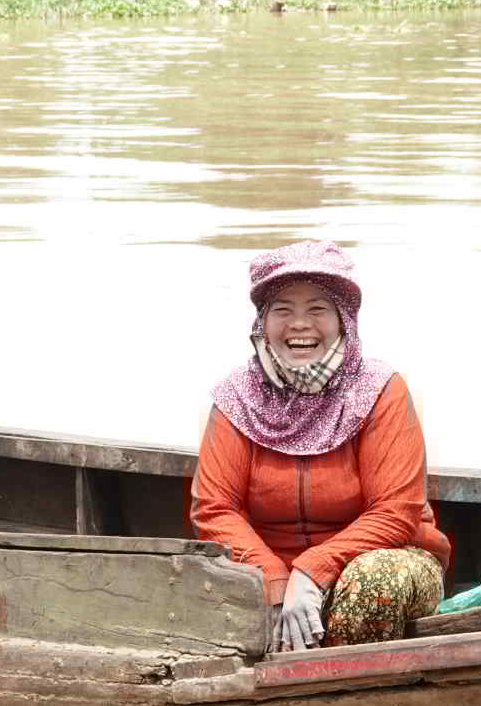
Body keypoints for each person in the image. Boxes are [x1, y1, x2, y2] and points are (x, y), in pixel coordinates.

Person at [190, 241, 451, 652]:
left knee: (373, 584)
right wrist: (274, 581)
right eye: (282, 310)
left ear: (342, 320)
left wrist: (312, 571)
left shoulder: (381, 390)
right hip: (264, 569)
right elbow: (216, 510)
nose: (299, 324)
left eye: (317, 309)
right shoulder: (235, 397)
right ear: (263, 323)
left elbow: (396, 513)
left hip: (385, 559)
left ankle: (355, 699)